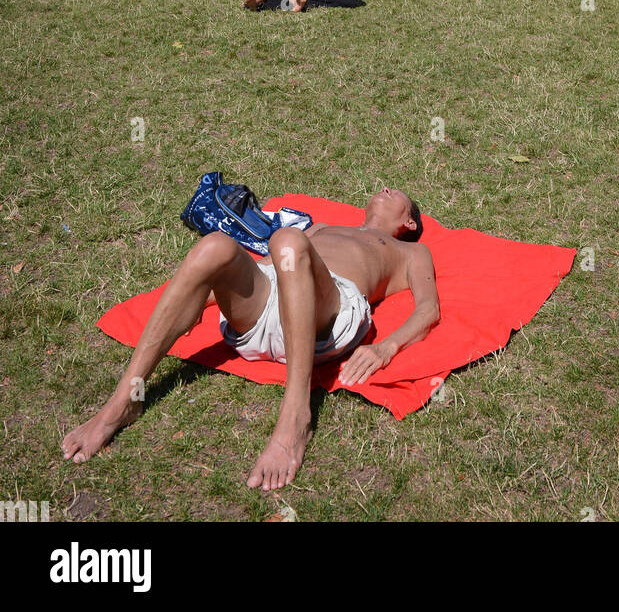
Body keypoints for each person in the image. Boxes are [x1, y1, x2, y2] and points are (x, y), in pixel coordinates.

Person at [62, 188, 438, 490]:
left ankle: (295, 418)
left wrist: (386, 347)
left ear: (408, 221)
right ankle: (126, 400)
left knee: (288, 242)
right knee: (215, 245)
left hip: (331, 313)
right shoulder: (321, 228)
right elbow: (266, 269)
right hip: (272, 302)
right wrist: (204, 295)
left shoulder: (410, 250)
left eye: (398, 194)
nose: (385, 189)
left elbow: (428, 310)